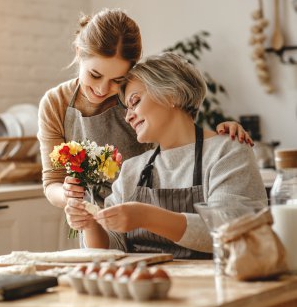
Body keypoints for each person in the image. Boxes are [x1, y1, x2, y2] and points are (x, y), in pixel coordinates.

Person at [38, 8, 253, 212]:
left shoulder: (137, 96)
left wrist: (218, 137)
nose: (102, 89)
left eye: (117, 80)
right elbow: (52, 183)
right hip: (91, 219)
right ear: (78, 53)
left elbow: (179, 138)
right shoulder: (55, 104)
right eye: (94, 75)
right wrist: (69, 195)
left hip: (147, 216)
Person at [64, 52, 267, 258]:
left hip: (215, 285)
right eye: (126, 108)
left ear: (172, 94)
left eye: (135, 101)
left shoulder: (227, 151)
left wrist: (146, 216)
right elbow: (112, 248)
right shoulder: (132, 169)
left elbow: (232, 230)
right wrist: (90, 224)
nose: (128, 116)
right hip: (147, 286)